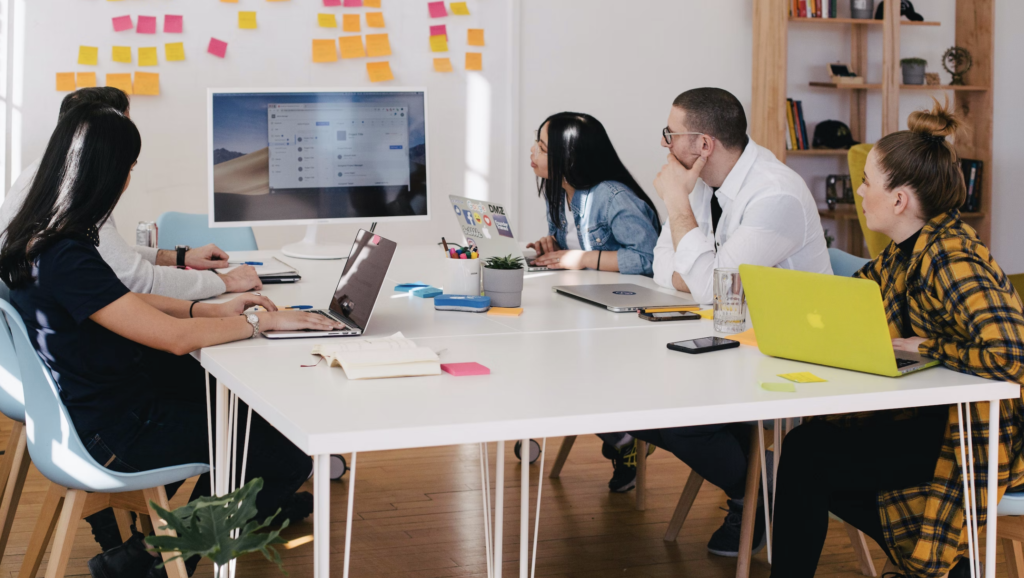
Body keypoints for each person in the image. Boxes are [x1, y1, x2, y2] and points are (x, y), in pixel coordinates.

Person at [0, 103, 346, 578]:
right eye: (129, 169)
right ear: (109, 173)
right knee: (280, 453)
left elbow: (121, 301)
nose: (128, 181)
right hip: (111, 432)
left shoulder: (41, 236)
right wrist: (255, 323)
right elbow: (174, 339)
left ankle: (144, 555)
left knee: (240, 419)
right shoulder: (67, 253)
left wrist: (209, 309)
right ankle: (159, 562)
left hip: (93, 405)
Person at [769, 101, 1024, 578]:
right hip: (933, 415)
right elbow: (854, 298)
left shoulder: (950, 257)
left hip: (971, 432)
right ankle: (950, 564)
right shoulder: (904, 253)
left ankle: (949, 563)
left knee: (807, 455)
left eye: (867, 181)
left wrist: (924, 347)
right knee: (812, 452)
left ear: (900, 199)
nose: (860, 191)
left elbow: (1012, 354)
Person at [631, 87, 832, 558]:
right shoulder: (703, 184)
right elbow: (664, 265)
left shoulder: (774, 195)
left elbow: (707, 284)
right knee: (640, 402)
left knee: (676, 417)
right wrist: (699, 269)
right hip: (732, 336)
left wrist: (679, 210)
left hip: (783, 352)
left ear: (703, 144)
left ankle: (757, 495)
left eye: (671, 134)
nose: (665, 145)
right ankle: (754, 482)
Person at [0, 87, 261, 300]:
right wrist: (224, 282)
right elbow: (138, 281)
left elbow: (106, 253)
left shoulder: (45, 174)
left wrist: (180, 257)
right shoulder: (72, 195)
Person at [526, 112, 661, 276]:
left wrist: (583, 259)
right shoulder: (557, 191)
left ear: (570, 159)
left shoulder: (613, 197)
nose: (533, 150)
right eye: (536, 143)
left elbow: (648, 259)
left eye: (542, 148)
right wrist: (555, 248)